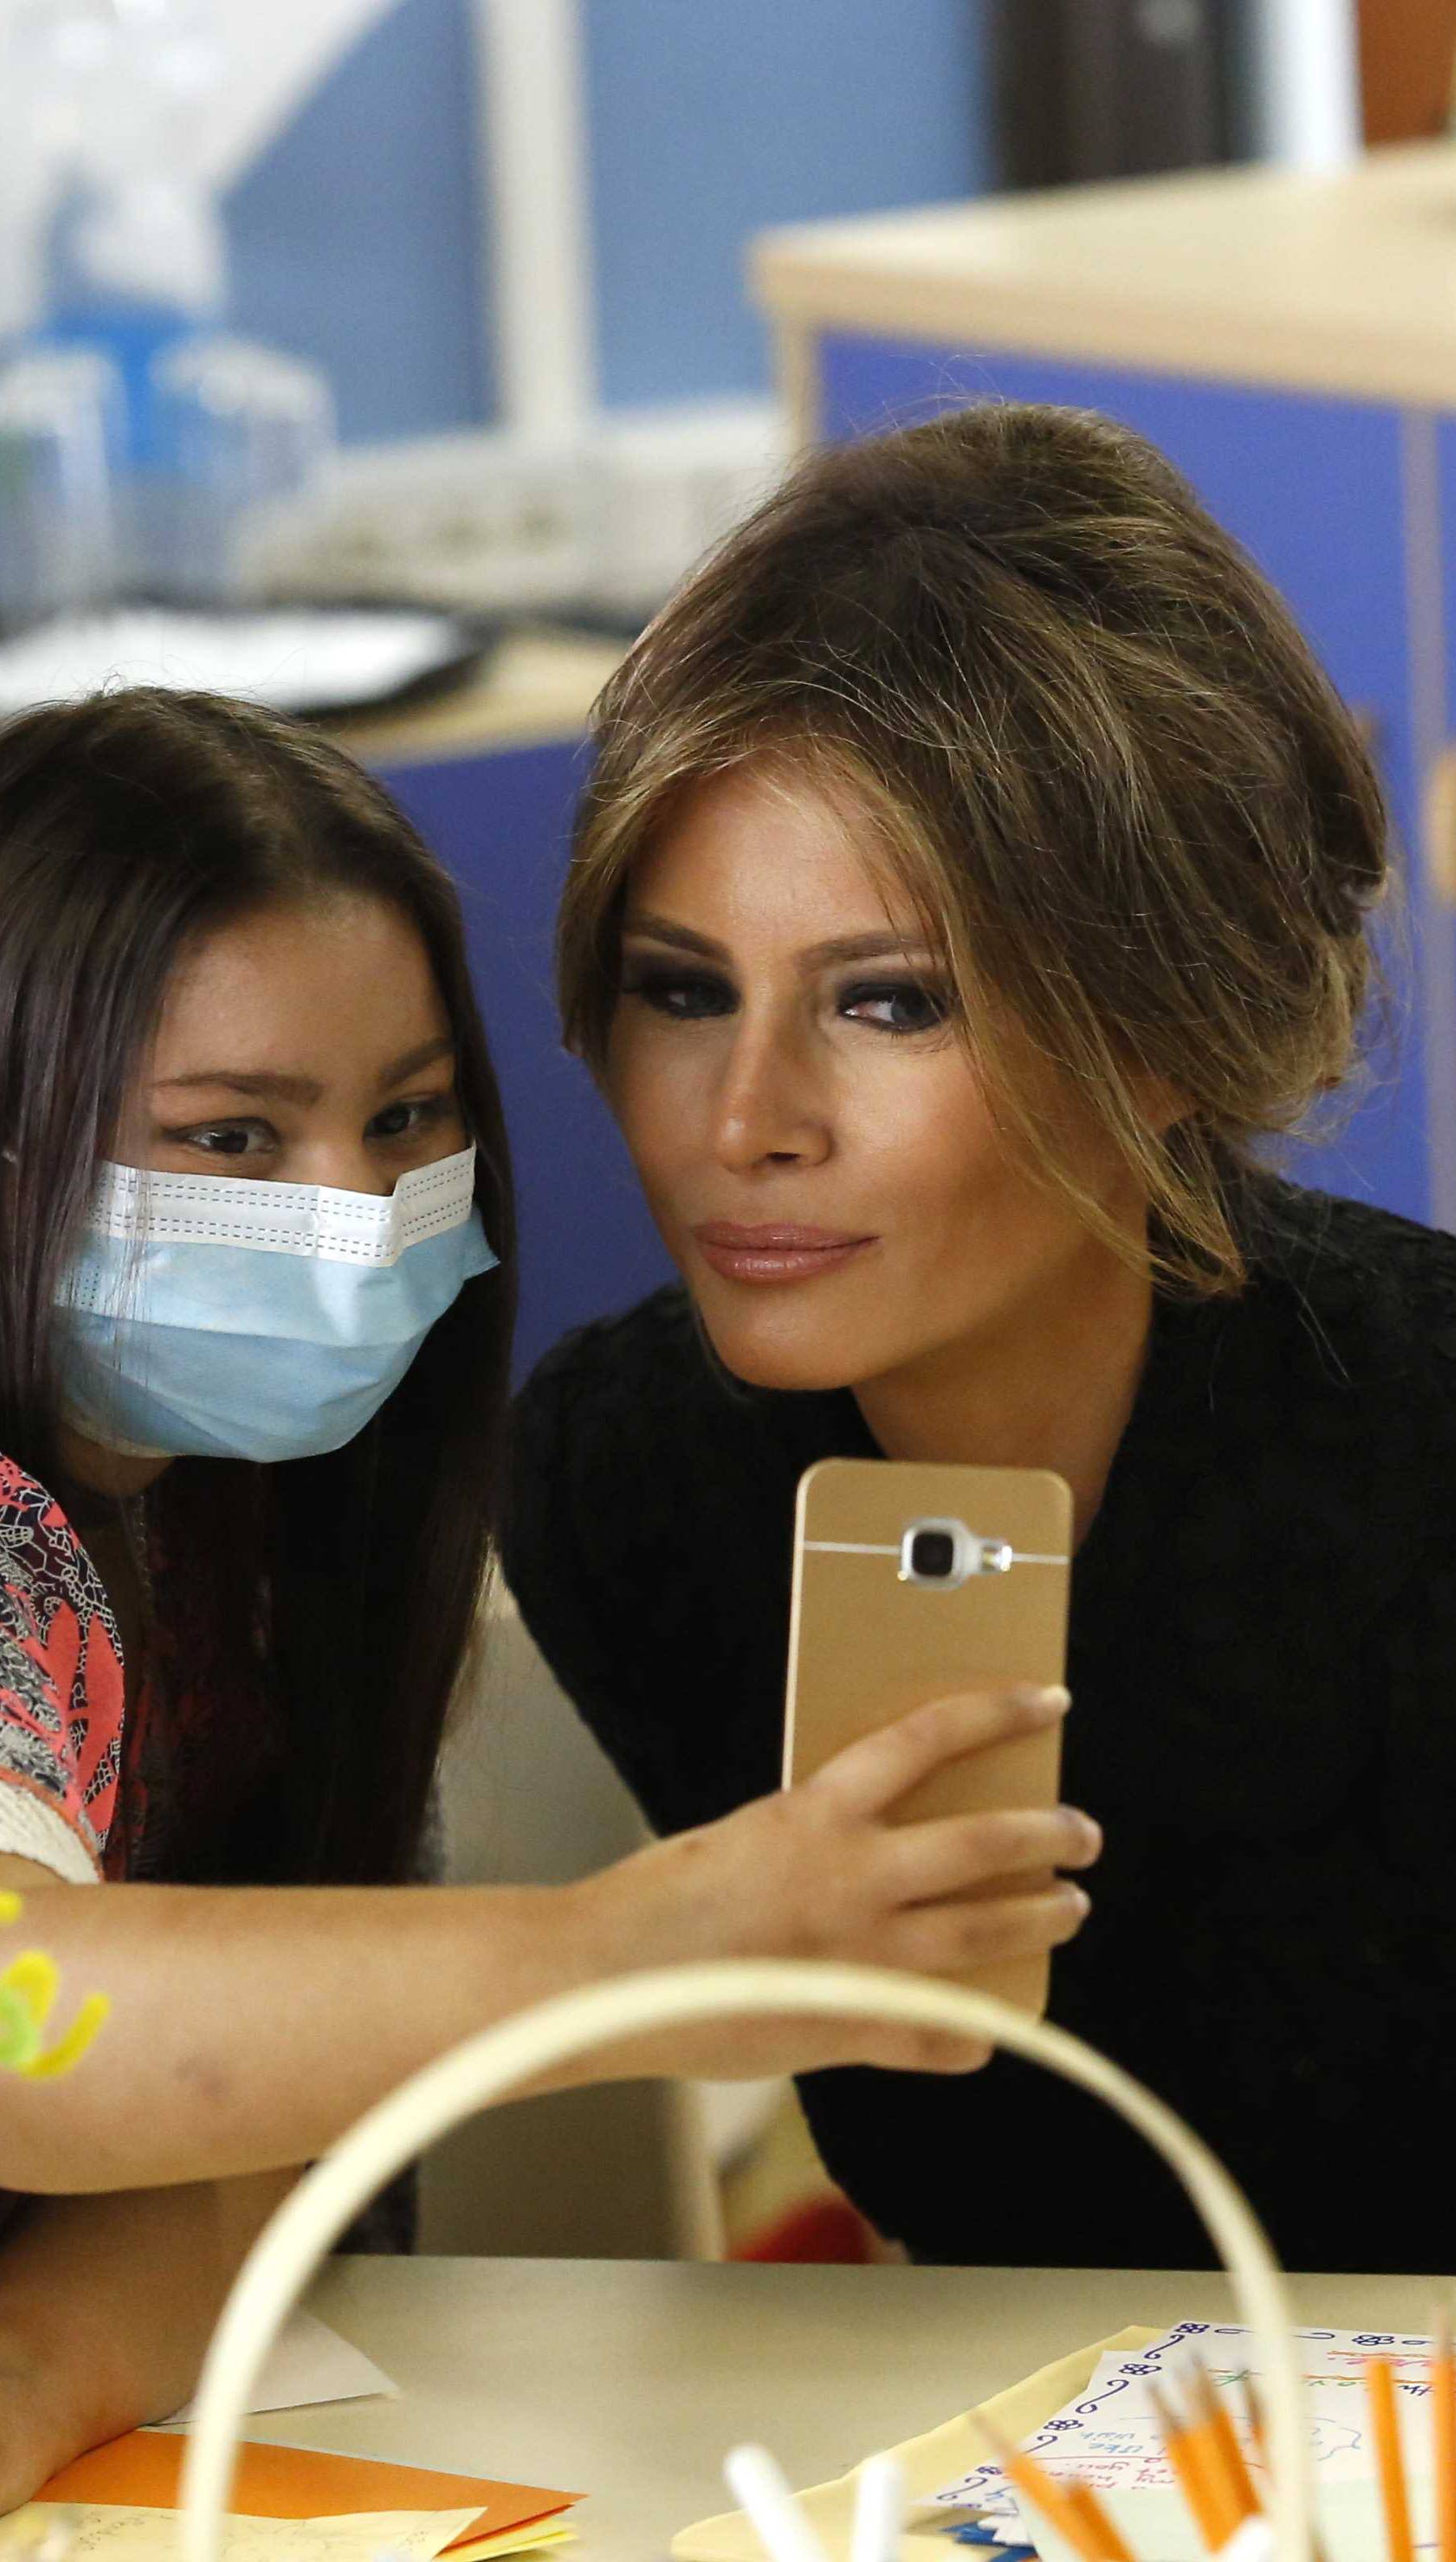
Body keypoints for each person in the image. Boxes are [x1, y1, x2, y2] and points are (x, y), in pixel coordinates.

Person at [0, 684, 1095, 2494]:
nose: (357, 1211)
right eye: (234, 1141)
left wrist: (40, 2372)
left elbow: (280, 2113)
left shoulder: (250, 1516)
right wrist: (634, 1957)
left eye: (410, 1115)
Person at [507, 400, 1456, 2277]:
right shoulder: (627, 1486)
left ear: (1160, 1025)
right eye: (683, 992)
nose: (744, 1117)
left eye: (889, 1003)